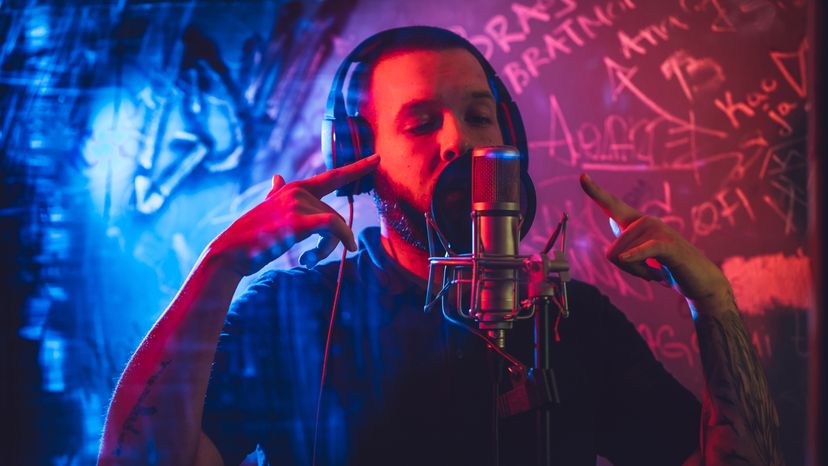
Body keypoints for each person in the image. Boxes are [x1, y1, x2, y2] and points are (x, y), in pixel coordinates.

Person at [99, 26, 784, 465]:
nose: (459, 141)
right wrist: (222, 265)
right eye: (421, 122)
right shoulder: (293, 313)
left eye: (479, 115)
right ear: (362, 156)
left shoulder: (576, 318)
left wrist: (713, 305)